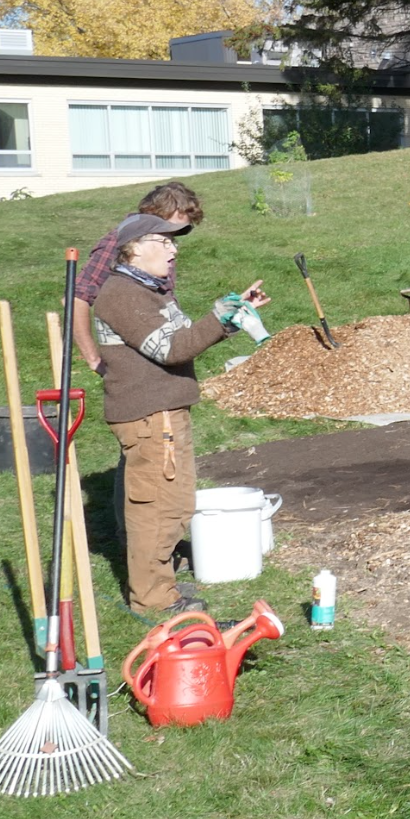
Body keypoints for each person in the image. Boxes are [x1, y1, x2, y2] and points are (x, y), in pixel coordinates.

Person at [91, 213, 268, 618]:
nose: (174, 249)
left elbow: (184, 336)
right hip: (151, 415)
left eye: (175, 242)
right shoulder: (122, 295)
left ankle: (160, 583)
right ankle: (153, 598)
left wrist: (228, 317)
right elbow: (171, 350)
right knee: (157, 508)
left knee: (174, 504)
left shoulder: (151, 291)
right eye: (164, 241)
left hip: (165, 412)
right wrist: (218, 318)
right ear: (133, 249)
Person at [76, 181, 204, 374]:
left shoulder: (161, 247)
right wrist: (94, 360)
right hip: (135, 370)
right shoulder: (119, 243)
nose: (173, 242)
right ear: (153, 214)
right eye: (170, 229)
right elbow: (77, 299)